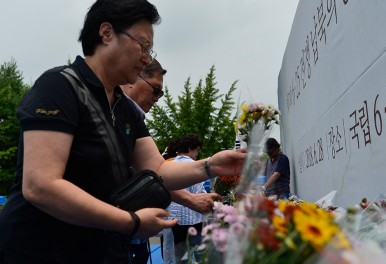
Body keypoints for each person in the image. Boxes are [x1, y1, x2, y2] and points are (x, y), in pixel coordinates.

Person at [0, 1, 246, 263]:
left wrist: (211, 165)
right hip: (40, 251)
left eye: (151, 50)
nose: (147, 58)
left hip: (99, 250)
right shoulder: (60, 86)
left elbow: (158, 171)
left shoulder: (123, 108)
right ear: (106, 34)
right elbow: (40, 185)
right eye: (143, 45)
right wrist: (130, 221)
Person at [120, 60, 220, 264]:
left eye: (161, 93)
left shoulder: (133, 118)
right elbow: (154, 173)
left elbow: (155, 172)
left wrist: (211, 166)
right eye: (155, 90)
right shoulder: (113, 111)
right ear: (133, 77)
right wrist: (209, 168)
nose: (157, 98)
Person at [167, 134, 208, 263]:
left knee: (180, 256)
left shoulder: (169, 165)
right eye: (196, 150)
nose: (197, 154)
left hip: (173, 219)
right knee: (198, 254)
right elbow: (200, 193)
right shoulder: (194, 166)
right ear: (190, 148)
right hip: (192, 218)